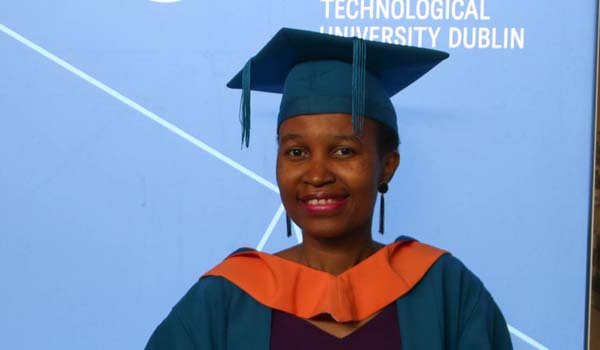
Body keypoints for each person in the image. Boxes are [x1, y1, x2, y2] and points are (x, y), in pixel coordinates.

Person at [144, 28, 513, 350]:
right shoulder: (226, 298)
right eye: (296, 152)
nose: (317, 175)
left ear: (388, 165)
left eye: (343, 151)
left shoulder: (445, 291)